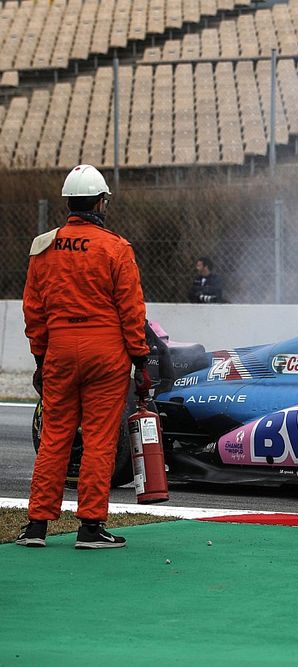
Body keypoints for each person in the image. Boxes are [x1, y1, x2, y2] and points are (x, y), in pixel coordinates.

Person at [17, 164, 150, 550]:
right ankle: (91, 527)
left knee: (54, 437)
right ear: (100, 202)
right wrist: (141, 360)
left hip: (59, 350)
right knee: (99, 440)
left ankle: (36, 526)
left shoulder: (44, 247)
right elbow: (131, 310)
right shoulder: (116, 247)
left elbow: (33, 310)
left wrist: (40, 358)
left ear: (69, 203)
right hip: (106, 354)